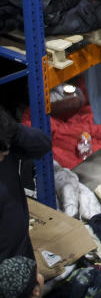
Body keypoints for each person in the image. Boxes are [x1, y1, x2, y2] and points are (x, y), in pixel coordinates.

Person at [0, 109, 52, 260]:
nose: (4, 157)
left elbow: (42, 145)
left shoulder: (4, 138)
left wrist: (12, 129)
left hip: (22, 252)